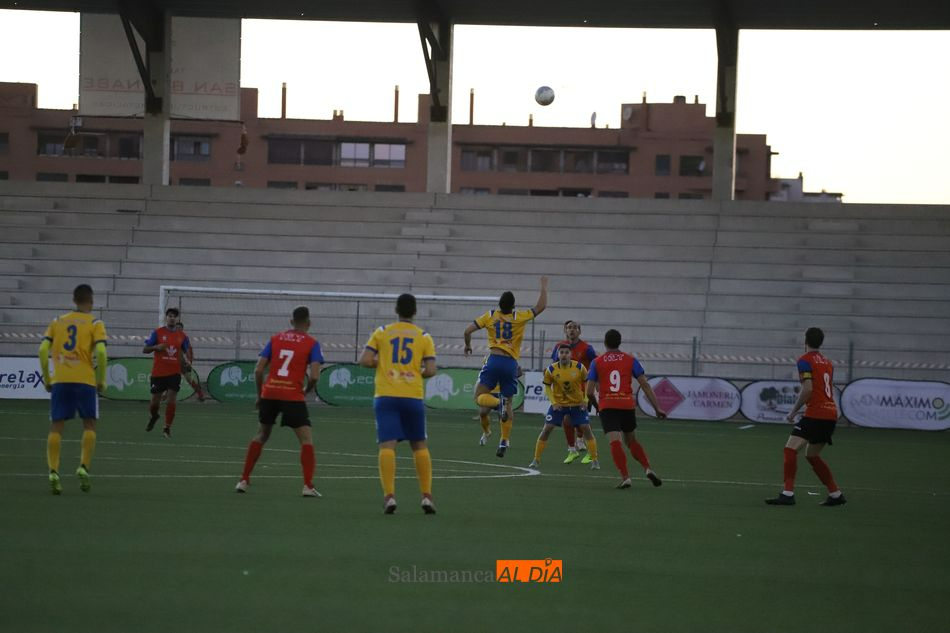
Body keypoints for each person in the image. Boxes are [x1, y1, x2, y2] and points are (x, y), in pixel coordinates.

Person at [359, 293, 438, 515]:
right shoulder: (424, 336)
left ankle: (389, 496)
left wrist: (381, 364)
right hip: (412, 396)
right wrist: (415, 373)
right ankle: (426, 496)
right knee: (419, 446)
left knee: (387, 446)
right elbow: (431, 370)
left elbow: (364, 360)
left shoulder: (382, 332)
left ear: (396, 310)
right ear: (415, 312)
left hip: (386, 395)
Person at [235, 306, 324, 497]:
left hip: (270, 393)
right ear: (309, 323)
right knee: (306, 440)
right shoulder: (312, 343)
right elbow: (315, 376)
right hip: (292, 395)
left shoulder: (275, 339)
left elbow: (258, 370)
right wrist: (306, 391)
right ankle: (308, 486)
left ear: (291, 322)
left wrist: (260, 395)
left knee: (261, 435)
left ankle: (243, 480)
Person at [464, 276, 548, 457]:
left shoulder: (490, 315)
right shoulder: (519, 317)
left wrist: (468, 345)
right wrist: (543, 286)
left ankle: (497, 404)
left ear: (499, 304)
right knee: (508, 402)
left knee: (479, 397)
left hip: (493, 359)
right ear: (513, 306)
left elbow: (467, 330)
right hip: (510, 362)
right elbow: (540, 307)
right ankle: (504, 440)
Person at [38, 284, 108, 495]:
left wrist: (48, 378)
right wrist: (101, 379)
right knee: (89, 425)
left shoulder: (57, 322)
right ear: (91, 301)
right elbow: (102, 353)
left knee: (56, 427)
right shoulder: (95, 323)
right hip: (85, 380)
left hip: (61, 380)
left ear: (74, 300)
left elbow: (42, 350)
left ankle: (53, 472)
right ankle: (83, 466)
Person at [765, 327, 846, 507]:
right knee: (812, 455)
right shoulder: (828, 362)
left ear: (805, 341)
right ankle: (835, 494)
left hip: (816, 413)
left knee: (790, 450)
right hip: (830, 413)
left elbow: (808, 388)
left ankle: (787, 494)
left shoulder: (804, 361)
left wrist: (793, 411)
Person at [586, 329, 666, 489]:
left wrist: (597, 407)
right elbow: (644, 384)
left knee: (615, 441)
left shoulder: (597, 362)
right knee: (631, 440)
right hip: (626, 404)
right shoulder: (631, 360)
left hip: (608, 405)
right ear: (620, 342)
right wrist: (657, 408)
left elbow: (589, 392)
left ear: (605, 342)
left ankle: (625, 477)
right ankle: (647, 468)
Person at [529, 344, 599, 470]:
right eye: (561, 352)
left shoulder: (579, 367)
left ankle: (595, 460)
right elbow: (547, 386)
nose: (564, 354)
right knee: (546, 429)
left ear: (571, 354)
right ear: (557, 354)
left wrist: (585, 400)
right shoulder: (551, 369)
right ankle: (536, 459)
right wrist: (554, 402)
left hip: (577, 405)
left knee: (586, 429)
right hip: (559, 406)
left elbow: (588, 382)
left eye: (567, 352)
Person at [551, 320, 598, 463]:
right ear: (565, 330)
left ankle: (580, 440)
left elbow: (596, 365)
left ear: (579, 331)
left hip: (582, 390)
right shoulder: (558, 347)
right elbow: (553, 366)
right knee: (567, 419)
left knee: (580, 421)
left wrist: (594, 382)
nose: (572, 330)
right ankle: (573, 446)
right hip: (564, 392)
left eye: (575, 328)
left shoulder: (587, 348)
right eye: (569, 328)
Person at [142, 308, 191, 438]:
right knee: (154, 403)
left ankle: (167, 427)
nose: (172, 318)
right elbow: (145, 349)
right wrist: (155, 347)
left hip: (174, 373)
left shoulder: (182, 336)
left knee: (171, 400)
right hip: (158, 373)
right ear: (166, 317)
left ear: (177, 319)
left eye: (174, 316)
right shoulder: (157, 333)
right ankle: (154, 416)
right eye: (170, 316)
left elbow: (185, 351)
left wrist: (187, 361)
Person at [176, 321, 206, 402]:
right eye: (177, 327)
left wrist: (189, 361)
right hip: (173, 362)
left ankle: (200, 394)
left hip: (182, 362)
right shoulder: (171, 336)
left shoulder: (184, 338)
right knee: (171, 379)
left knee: (189, 379)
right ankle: (165, 395)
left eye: (180, 328)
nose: (178, 329)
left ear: (182, 329)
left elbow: (188, 350)